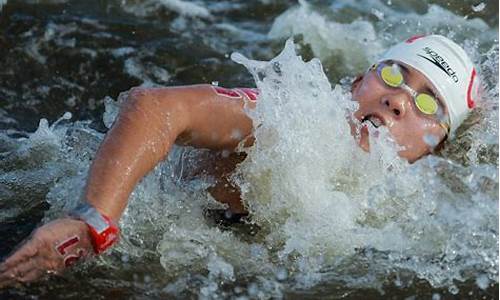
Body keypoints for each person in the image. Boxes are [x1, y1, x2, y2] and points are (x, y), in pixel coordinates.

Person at [0, 34, 481, 287]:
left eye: (427, 104)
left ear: (434, 148)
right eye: (393, 73)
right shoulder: (295, 122)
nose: (399, 99)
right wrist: (92, 219)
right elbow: (155, 106)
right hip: (92, 208)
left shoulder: (412, 207)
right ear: (358, 83)